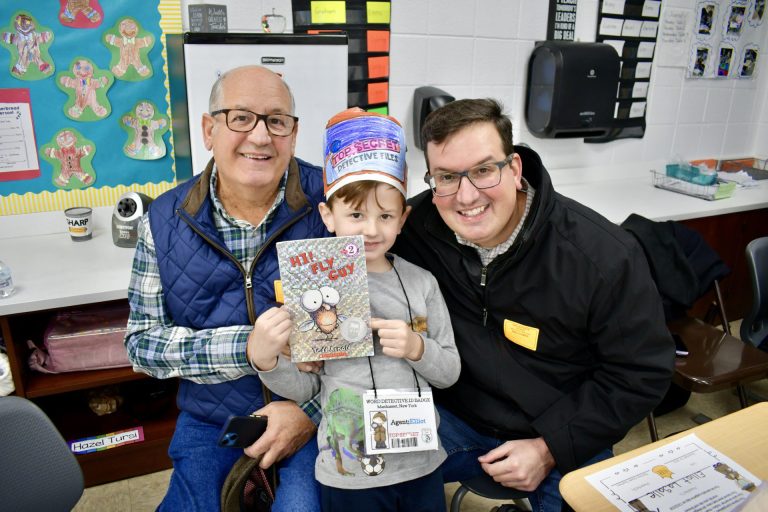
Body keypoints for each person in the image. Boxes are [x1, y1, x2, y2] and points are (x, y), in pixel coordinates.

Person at [393, 98, 675, 512]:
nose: (466, 195)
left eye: (484, 170)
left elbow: (641, 372)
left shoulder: (602, 256)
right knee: (362, 470)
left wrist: (549, 447)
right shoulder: (416, 228)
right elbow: (356, 227)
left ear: (515, 168)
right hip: (453, 418)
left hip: (564, 427)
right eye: (447, 177)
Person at [125, 65, 329, 511]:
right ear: (208, 129)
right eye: (240, 117)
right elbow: (142, 343)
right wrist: (247, 349)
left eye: (276, 120)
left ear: (293, 135)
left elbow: (373, 329)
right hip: (211, 416)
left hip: (319, 408)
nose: (260, 137)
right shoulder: (163, 220)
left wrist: (310, 413)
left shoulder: (334, 205)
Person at [250, 108, 461, 511]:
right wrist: (266, 359)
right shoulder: (314, 286)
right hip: (348, 472)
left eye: (385, 215)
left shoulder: (422, 283)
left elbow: (449, 372)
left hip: (421, 464)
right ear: (329, 217)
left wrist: (418, 347)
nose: (371, 229)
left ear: (403, 219)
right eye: (356, 214)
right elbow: (307, 388)